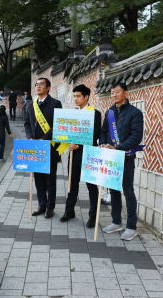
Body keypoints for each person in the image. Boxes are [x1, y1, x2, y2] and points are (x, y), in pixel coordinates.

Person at [99, 82, 144, 241]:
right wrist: (103, 144)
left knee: (128, 190)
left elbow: (136, 136)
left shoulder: (135, 113)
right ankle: (116, 221)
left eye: (117, 92)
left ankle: (131, 227)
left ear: (125, 93)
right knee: (113, 190)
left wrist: (118, 148)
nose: (114, 95)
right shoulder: (110, 112)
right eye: (112, 93)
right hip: (111, 157)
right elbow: (104, 131)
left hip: (126, 157)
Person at [59, 85, 102, 228]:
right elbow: (67, 131)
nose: (75, 99)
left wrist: (80, 145)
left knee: (91, 186)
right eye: (74, 96)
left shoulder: (95, 113)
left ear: (86, 97)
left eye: (78, 96)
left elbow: (96, 134)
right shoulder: (73, 113)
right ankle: (69, 211)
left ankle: (93, 216)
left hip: (89, 154)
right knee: (72, 184)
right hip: (73, 155)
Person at [24, 78, 63, 219]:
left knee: (50, 180)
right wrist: (30, 138)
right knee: (38, 179)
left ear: (48, 88)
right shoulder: (31, 104)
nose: (38, 86)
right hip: (35, 148)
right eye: (36, 84)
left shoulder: (55, 104)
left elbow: (58, 125)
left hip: (50, 147)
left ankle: (50, 207)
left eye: (41, 84)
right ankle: (41, 204)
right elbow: (27, 124)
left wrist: (44, 139)